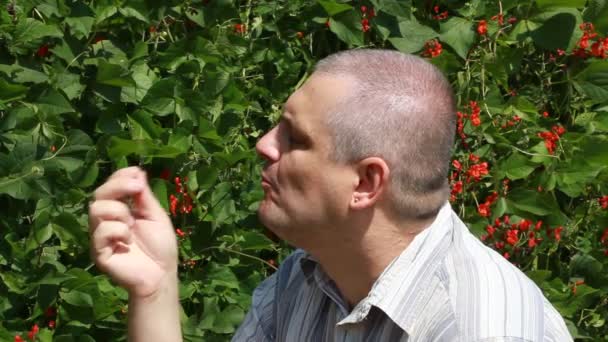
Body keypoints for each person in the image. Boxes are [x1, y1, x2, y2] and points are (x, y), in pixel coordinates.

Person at [88, 49, 573, 341]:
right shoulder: (306, 277)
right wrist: (155, 288)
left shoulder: (479, 328)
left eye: (293, 138)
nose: (263, 145)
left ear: (365, 183)